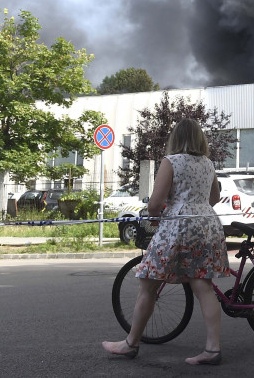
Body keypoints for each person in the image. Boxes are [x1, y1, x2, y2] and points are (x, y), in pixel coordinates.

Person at [102, 118, 230, 366]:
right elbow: (214, 197)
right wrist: (196, 205)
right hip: (207, 223)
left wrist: (164, 211)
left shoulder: (171, 162)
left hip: (178, 226)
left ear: (176, 138)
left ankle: (130, 344)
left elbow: (154, 203)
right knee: (203, 286)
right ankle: (213, 349)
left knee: (148, 283)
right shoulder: (208, 163)